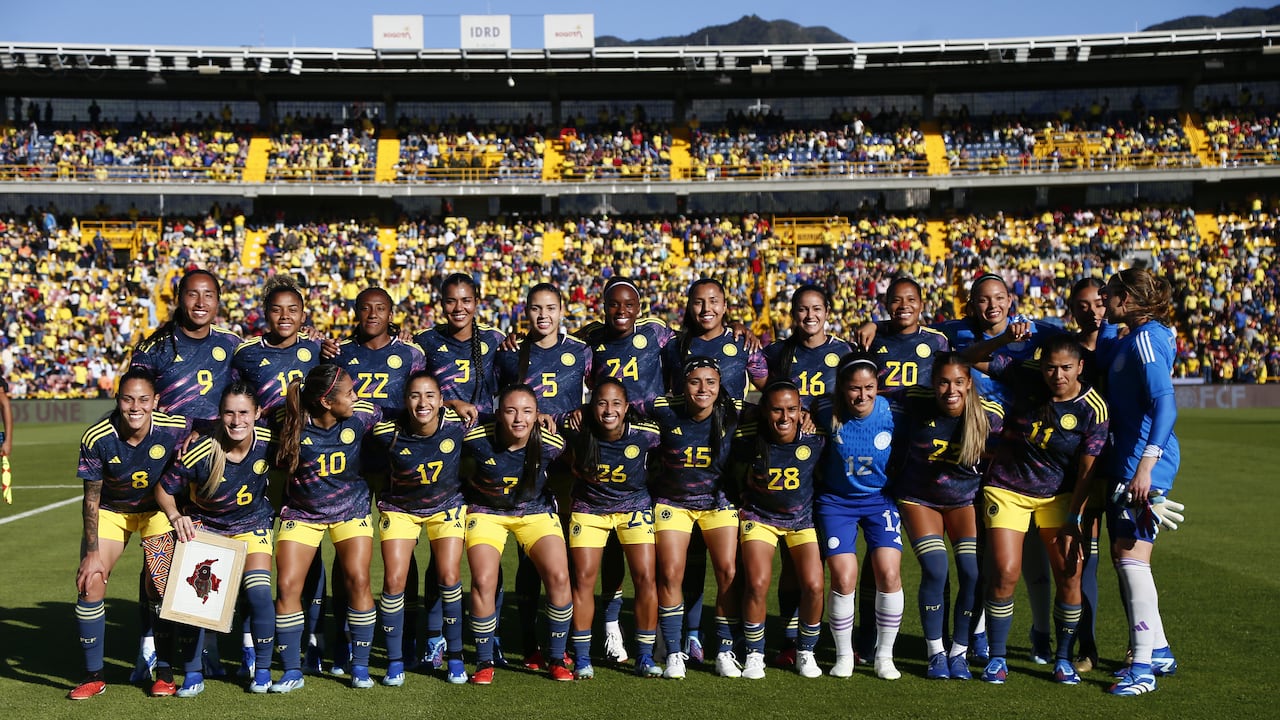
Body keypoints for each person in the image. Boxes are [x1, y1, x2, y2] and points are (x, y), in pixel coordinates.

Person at [974, 335, 1110, 685]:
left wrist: (1074, 518)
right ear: (1041, 363)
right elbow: (968, 357)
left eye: (1066, 368)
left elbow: (1087, 471)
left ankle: (1063, 658)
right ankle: (998, 657)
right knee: (1005, 571)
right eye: (1051, 367)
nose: (1057, 375)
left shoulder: (1093, 408)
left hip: (1060, 497)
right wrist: (1005, 339)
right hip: (1007, 487)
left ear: (1080, 367)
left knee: (1069, 572)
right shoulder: (1025, 373)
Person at [129, 268, 240, 679]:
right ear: (179, 298)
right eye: (192, 295)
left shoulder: (232, 345)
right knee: (156, 564)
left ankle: (204, 645)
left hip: (213, 466)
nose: (200, 303)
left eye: (208, 295)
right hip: (163, 468)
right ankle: (149, 647)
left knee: (206, 556)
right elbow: (134, 405)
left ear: (218, 300)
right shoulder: (154, 347)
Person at [69, 368, 190, 700]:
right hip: (113, 512)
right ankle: (93, 675)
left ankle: (164, 672)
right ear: (117, 399)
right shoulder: (98, 437)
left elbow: (211, 432)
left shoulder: (175, 428)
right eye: (127, 399)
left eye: (143, 400)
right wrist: (92, 552)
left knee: (160, 582)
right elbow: (91, 499)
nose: (135, 407)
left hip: (156, 512)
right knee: (91, 581)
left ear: (156, 402)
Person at [155, 382, 278, 696]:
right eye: (229, 413)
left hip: (253, 525)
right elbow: (164, 489)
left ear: (257, 414)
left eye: (244, 413)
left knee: (260, 593)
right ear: (219, 415)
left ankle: (262, 671)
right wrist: (175, 516)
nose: (237, 421)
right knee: (195, 600)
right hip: (207, 527)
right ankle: (193, 673)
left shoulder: (268, 441)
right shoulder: (201, 450)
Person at [496, 282, 592, 667]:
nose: (543, 316)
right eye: (536, 309)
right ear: (526, 313)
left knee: (565, 555)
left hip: (568, 464)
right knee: (528, 556)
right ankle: (531, 639)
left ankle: (564, 640)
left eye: (550, 308)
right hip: (525, 464)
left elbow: (603, 391)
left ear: (562, 310)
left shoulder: (581, 352)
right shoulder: (510, 356)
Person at [331, 286, 426, 672]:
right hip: (348, 464)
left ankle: (407, 637)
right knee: (346, 553)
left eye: (381, 308)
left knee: (403, 555)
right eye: (365, 308)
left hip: (395, 464)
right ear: (355, 312)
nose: (373, 314)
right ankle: (343, 635)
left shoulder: (410, 354)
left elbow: (424, 398)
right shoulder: (338, 353)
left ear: (392, 313)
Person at [270, 365, 382, 692]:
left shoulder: (363, 416)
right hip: (302, 512)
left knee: (359, 580)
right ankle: (292, 670)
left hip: (351, 509)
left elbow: (406, 412)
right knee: (288, 585)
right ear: (326, 402)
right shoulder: (287, 421)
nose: (356, 398)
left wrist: (454, 406)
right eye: (349, 393)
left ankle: (359, 667)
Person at [1100, 268, 1184, 696]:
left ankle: (1143, 668)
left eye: (1109, 292)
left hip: (1141, 468)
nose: (1102, 296)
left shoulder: (1148, 339)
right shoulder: (1129, 338)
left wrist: (1147, 467)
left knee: (1132, 558)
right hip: (1128, 464)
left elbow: (1165, 405)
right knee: (1124, 557)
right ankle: (1161, 649)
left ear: (1128, 299)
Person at [895, 353, 1003, 680]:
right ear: (933, 383)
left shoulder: (991, 416)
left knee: (971, 573)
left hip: (965, 502)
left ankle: (959, 652)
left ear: (969, 383)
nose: (950, 390)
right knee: (936, 569)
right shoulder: (913, 400)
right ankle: (935, 653)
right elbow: (865, 396)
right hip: (919, 499)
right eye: (943, 382)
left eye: (958, 382)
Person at [760, 285, 852, 667]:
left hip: (833, 460)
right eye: (801, 309)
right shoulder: (780, 352)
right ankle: (790, 635)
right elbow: (763, 385)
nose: (809, 316)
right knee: (793, 560)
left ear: (827, 311)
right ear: (792, 314)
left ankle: (835, 639)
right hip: (792, 466)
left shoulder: (844, 351)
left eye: (816, 309)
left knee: (835, 559)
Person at [461, 384, 572, 685]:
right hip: (487, 514)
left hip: (535, 513)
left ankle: (557, 657)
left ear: (538, 415)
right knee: (484, 580)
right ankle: (484, 661)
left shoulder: (552, 444)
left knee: (559, 577)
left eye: (527, 411)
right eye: (510, 411)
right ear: (497, 414)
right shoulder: (474, 439)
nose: (518, 419)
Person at [370, 371, 470, 686]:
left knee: (449, 575)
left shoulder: (458, 426)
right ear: (404, 401)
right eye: (415, 395)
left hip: (447, 507)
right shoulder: (386, 432)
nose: (422, 402)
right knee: (394, 580)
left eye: (430, 395)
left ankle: (455, 658)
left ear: (441, 401)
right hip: (401, 510)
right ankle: (396, 662)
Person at [810, 352, 905, 681]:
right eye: (854, 388)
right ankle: (844, 655)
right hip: (836, 502)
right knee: (844, 578)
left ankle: (884, 656)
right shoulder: (823, 409)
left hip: (880, 501)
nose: (862, 395)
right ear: (841, 388)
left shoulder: (892, 411)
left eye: (869, 387)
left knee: (889, 574)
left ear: (878, 385)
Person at [647, 356, 744, 679]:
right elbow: (622, 408)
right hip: (673, 501)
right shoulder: (663, 408)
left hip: (717, 503)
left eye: (710, 382)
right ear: (681, 385)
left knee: (728, 572)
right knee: (671, 572)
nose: (703, 389)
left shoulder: (735, 413)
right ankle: (674, 651)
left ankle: (725, 650)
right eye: (694, 381)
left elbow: (774, 410)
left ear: (720, 385)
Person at [561, 379, 662, 678]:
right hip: (590, 511)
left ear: (627, 407)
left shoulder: (647, 433)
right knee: (583, 581)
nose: (609, 410)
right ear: (591, 407)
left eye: (616, 403)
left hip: (634, 508)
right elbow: (547, 421)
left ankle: (644, 655)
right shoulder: (577, 430)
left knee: (645, 578)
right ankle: (581, 658)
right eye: (602, 403)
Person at [730, 381, 826, 680]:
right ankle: (755, 653)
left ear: (801, 411)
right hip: (760, 517)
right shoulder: (746, 438)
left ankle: (805, 651)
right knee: (757, 582)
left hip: (801, 521)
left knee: (814, 585)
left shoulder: (815, 438)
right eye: (777, 410)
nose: (785, 417)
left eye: (792, 410)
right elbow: (733, 479)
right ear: (763, 411)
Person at [415, 273, 504, 423]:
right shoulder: (425, 340)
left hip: (484, 433)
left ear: (476, 303)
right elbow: (413, 394)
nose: (458, 308)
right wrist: (451, 405)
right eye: (451, 301)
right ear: (442, 304)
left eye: (466, 301)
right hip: (438, 432)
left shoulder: (495, 339)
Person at [232, 276, 322, 414]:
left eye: (292, 310)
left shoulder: (317, 346)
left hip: (308, 433)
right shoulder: (246, 353)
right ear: (266, 315)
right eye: (276, 310)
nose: (284, 316)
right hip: (266, 433)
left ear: (303, 316)